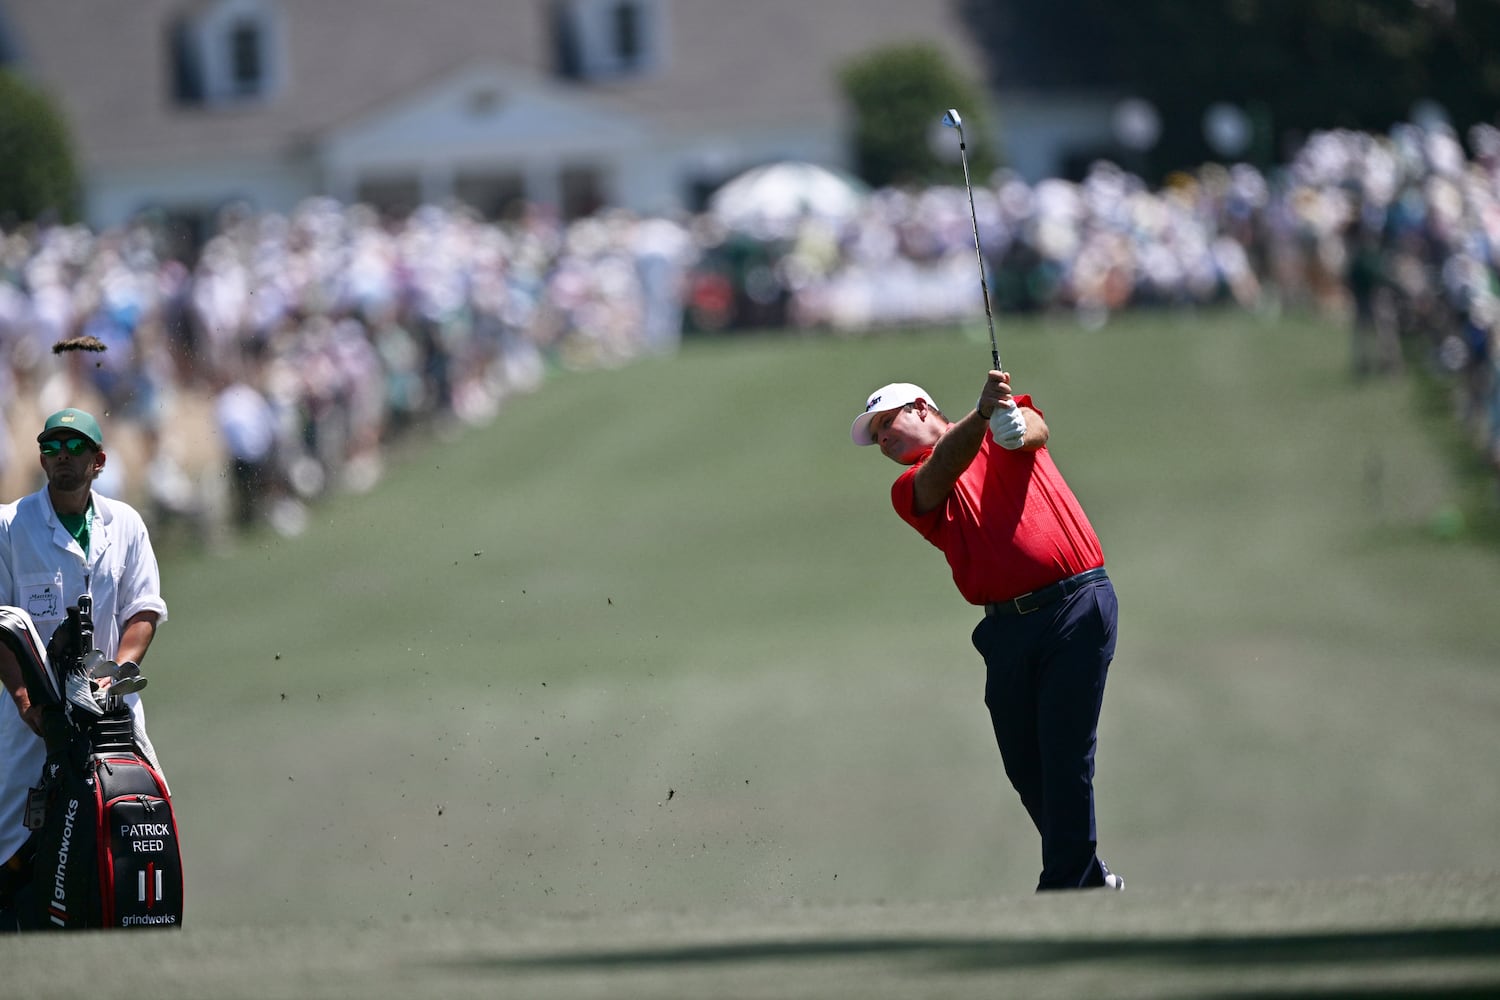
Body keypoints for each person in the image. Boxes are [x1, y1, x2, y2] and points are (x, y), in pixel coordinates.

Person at [851, 370, 1123, 891]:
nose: (883, 439)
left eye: (889, 423)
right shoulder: (910, 487)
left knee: (1065, 751)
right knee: (1026, 764)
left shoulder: (1000, 426)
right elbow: (945, 468)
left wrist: (1015, 423)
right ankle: (1087, 876)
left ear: (924, 410)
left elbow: (1037, 427)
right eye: (877, 435)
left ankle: (1066, 884)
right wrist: (982, 418)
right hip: (1005, 631)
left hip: (1075, 604)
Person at [0, 408, 169, 930]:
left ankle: (128, 916)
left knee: (141, 813)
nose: (63, 458)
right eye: (53, 448)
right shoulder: (9, 524)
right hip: (30, 716)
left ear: (98, 461)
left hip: (112, 712)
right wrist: (29, 703)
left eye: (76, 448)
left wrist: (116, 672)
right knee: (14, 826)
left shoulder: (126, 524)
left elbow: (143, 610)